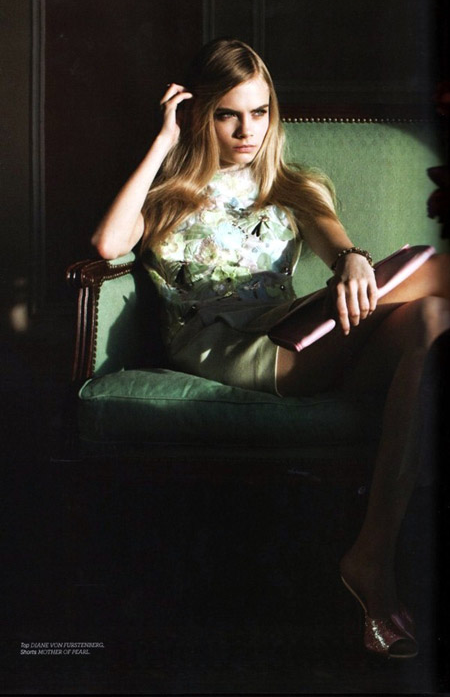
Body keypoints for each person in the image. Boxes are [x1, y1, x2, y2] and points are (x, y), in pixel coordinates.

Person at [92, 38, 450, 659]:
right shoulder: (168, 196)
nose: (247, 130)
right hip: (232, 348)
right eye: (228, 114)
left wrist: (352, 259)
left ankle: (373, 554)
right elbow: (107, 245)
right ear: (197, 114)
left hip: (300, 333)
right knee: (440, 277)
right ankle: (371, 563)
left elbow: (336, 244)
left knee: (433, 317)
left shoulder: (294, 187)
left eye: (259, 112)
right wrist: (163, 142)